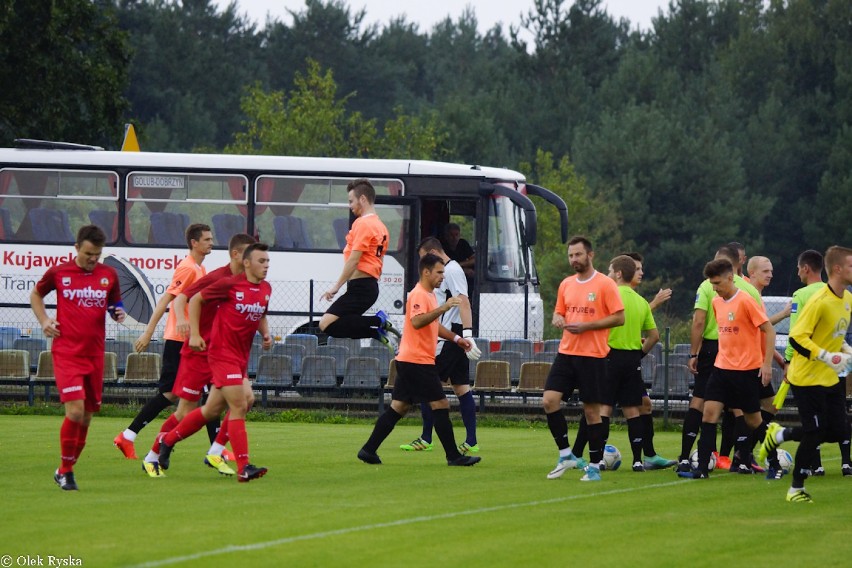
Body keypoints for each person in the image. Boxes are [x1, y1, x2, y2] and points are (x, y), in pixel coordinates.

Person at [140, 233, 256, 477]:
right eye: (249, 254)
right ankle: (152, 455)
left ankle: (215, 451)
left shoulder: (247, 281)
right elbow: (182, 298)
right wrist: (186, 326)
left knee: (244, 401)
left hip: (222, 354)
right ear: (237, 255)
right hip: (199, 352)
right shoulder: (217, 277)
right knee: (184, 413)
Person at [159, 243, 274, 482]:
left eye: (267, 261)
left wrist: (266, 334)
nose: (266, 266)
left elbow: (261, 313)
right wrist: (195, 334)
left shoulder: (266, 289)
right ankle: (243, 467)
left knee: (212, 410)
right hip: (221, 354)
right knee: (239, 405)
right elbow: (195, 300)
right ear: (247, 263)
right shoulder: (229, 284)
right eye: (261, 261)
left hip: (240, 357)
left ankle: (167, 441)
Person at [357, 254, 481, 467]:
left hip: (411, 360)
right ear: (426, 272)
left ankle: (368, 450)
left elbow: (433, 324)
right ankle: (453, 456)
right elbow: (416, 322)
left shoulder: (431, 295)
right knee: (440, 403)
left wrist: (457, 338)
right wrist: (443, 308)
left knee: (399, 407)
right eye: (439, 272)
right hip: (417, 361)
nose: (443, 276)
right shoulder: (419, 294)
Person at [31, 225, 126, 490]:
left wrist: (117, 313)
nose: (93, 259)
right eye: (88, 253)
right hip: (67, 352)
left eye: (97, 254)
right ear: (76, 248)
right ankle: (67, 471)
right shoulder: (59, 273)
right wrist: (44, 320)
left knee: (87, 417)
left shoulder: (109, 275)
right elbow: (36, 294)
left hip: (95, 355)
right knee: (75, 411)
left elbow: (115, 305)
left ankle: (64, 469)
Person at [759, 246, 852, 502]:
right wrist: (826, 356)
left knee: (839, 431)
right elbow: (798, 338)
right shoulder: (819, 300)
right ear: (837, 269)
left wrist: (846, 350)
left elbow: (835, 335)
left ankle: (780, 434)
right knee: (814, 432)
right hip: (807, 377)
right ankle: (795, 489)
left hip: (830, 376)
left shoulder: (847, 299)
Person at [113, 223, 214, 459]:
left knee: (206, 393)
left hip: (192, 340)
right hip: (179, 340)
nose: (211, 242)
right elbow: (166, 301)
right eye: (207, 239)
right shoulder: (187, 268)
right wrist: (148, 332)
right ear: (194, 243)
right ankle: (128, 435)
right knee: (172, 394)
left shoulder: (201, 268)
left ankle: (215, 450)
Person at [679, 258, 775, 479]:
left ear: (730, 278)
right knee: (709, 414)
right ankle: (701, 469)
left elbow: (768, 331)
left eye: (717, 283)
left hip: (745, 371)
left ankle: (774, 461)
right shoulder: (716, 302)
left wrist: (766, 363)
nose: (714, 288)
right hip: (720, 369)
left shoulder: (746, 301)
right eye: (712, 284)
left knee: (754, 420)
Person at [543, 236, 625, 482]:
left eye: (578, 255)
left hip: (593, 356)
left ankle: (594, 466)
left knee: (591, 412)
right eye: (570, 255)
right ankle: (566, 454)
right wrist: (557, 318)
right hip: (567, 353)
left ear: (590, 255)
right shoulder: (566, 284)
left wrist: (589, 326)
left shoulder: (605, 284)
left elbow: (619, 318)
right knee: (549, 400)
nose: (573, 260)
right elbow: (559, 310)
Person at [399, 238, 482, 453]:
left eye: (425, 258)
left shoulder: (452, 270)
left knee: (429, 385)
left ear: (435, 252)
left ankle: (427, 438)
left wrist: (467, 334)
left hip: (449, 337)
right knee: (461, 386)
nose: (424, 265)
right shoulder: (450, 270)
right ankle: (471, 441)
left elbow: (463, 301)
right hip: (453, 336)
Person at [319, 178, 399, 350]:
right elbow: (379, 260)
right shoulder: (381, 226)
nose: (350, 205)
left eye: (351, 201)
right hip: (367, 286)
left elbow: (353, 260)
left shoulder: (363, 224)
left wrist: (336, 287)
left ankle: (379, 322)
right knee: (340, 323)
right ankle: (376, 331)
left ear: (362, 199)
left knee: (326, 324)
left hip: (362, 287)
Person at [624, 252, 676, 469]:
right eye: (637, 269)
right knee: (598, 408)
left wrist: (637, 350)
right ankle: (580, 454)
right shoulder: (613, 293)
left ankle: (650, 455)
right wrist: (653, 303)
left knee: (644, 404)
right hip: (613, 361)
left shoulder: (634, 299)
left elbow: (629, 324)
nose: (641, 273)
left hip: (629, 361)